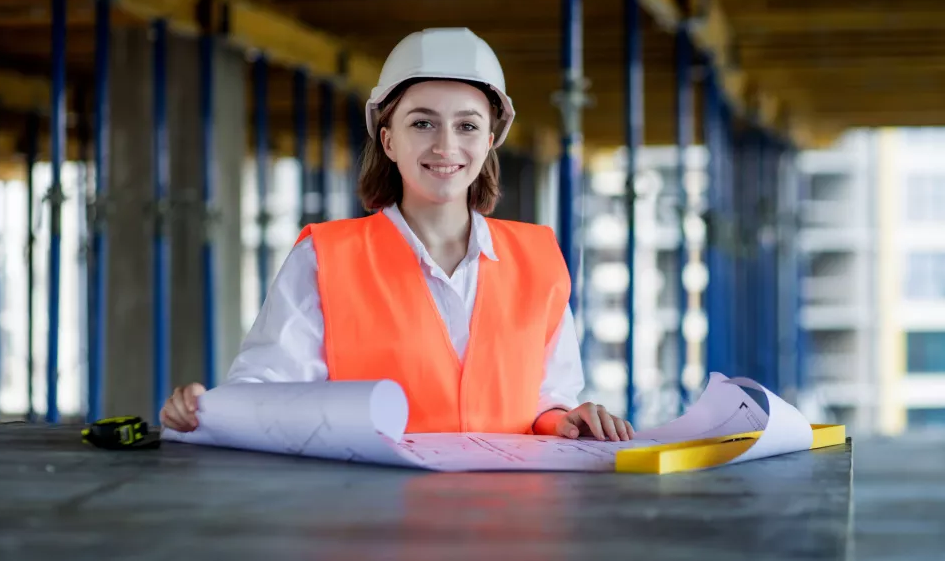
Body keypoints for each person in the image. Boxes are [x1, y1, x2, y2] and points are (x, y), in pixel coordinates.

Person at [160, 27, 634, 442]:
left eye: (467, 125)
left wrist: (567, 419)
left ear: (490, 140)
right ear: (388, 139)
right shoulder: (326, 257)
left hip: (508, 524)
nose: (446, 145)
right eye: (422, 122)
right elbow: (265, 390)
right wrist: (205, 411)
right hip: (371, 519)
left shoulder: (538, 259)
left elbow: (547, 399)